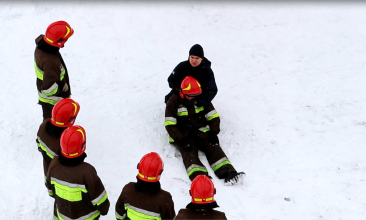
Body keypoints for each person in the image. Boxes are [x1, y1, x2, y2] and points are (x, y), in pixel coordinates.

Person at [165, 76, 244, 185]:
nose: (192, 98)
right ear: (183, 93)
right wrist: (181, 140)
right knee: (189, 152)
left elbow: (213, 116)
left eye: (194, 96)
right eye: (190, 96)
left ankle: (228, 172)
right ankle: (199, 177)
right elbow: (170, 124)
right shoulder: (173, 101)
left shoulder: (201, 98)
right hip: (183, 134)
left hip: (200, 130)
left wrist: (213, 132)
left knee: (213, 146)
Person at [46, 125, 110, 220]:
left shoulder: (54, 164)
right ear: (82, 146)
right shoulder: (87, 171)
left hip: (62, 215)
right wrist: (104, 209)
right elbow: (99, 198)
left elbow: (50, 189)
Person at [115, 152, 176, 220]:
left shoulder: (128, 190)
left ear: (139, 167)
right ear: (160, 172)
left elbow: (119, 215)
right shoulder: (165, 199)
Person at [34, 21, 74, 120]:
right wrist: (62, 88)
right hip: (52, 101)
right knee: (53, 122)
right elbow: (48, 89)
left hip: (48, 96)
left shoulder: (44, 46)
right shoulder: (50, 62)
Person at [36, 98, 80, 185]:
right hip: (62, 179)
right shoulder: (66, 142)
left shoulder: (44, 124)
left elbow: (39, 143)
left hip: (48, 171)